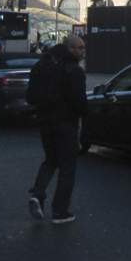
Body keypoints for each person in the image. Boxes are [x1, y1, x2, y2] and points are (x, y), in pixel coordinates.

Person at [27, 35, 87, 224]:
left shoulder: (42, 65)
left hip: (45, 122)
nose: (82, 52)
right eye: (78, 48)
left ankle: (37, 194)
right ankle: (60, 211)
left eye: (83, 48)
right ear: (69, 48)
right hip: (66, 124)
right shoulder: (74, 71)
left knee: (50, 160)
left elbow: (30, 96)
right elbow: (79, 102)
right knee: (68, 167)